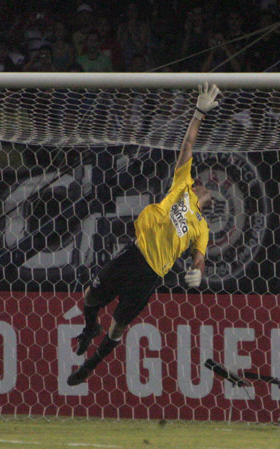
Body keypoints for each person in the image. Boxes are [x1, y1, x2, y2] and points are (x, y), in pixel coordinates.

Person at [67, 83, 220, 386]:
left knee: (118, 326)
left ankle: (91, 364)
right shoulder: (183, 185)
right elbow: (187, 146)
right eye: (202, 182)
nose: (204, 186)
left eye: (207, 188)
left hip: (151, 274)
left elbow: (200, 257)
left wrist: (198, 273)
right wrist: (199, 113)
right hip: (134, 252)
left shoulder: (202, 227)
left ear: (210, 202)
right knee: (89, 297)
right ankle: (89, 327)